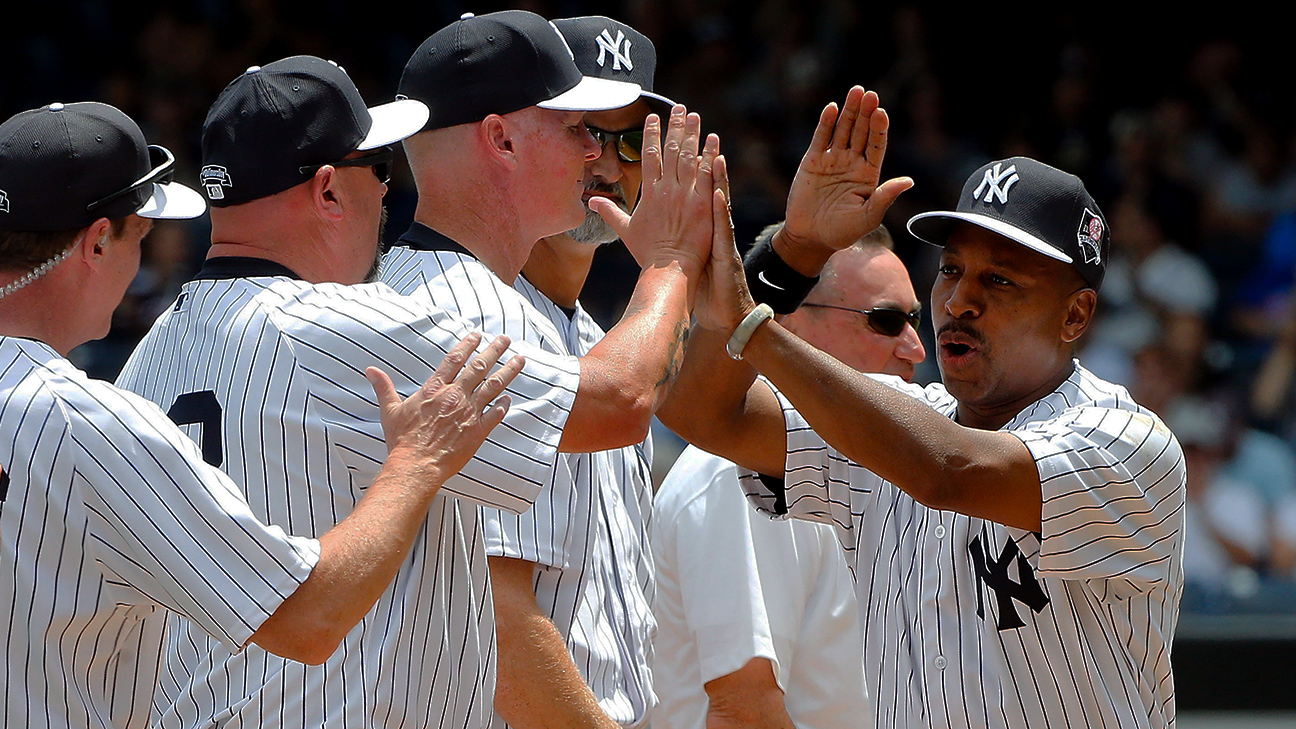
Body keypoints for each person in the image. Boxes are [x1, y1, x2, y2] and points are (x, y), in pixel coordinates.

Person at [657, 86, 1187, 727]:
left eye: (999, 280)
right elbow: (699, 412)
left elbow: (947, 471)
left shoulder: (1125, 441)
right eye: (950, 270)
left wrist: (753, 325)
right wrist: (795, 249)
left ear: (1074, 314)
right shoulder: (896, 416)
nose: (960, 301)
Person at [0, 101, 518, 729]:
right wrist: (414, 465)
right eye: (140, 234)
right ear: (100, 240)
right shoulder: (80, 420)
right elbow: (308, 618)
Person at [113, 56, 584, 729]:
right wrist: (672, 264)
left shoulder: (145, 357)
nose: (390, 194)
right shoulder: (332, 323)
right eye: (381, 171)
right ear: (329, 190)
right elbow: (611, 404)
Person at [383, 11, 717, 728]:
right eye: (580, 127)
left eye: (633, 141)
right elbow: (497, 617)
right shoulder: (474, 310)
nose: (603, 159)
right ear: (510, 136)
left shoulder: (593, 334)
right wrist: (670, 265)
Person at [652, 224, 922, 729]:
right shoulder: (729, 471)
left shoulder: (874, 461)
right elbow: (743, 710)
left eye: (915, 319)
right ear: (785, 325)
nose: (914, 348)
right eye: (885, 321)